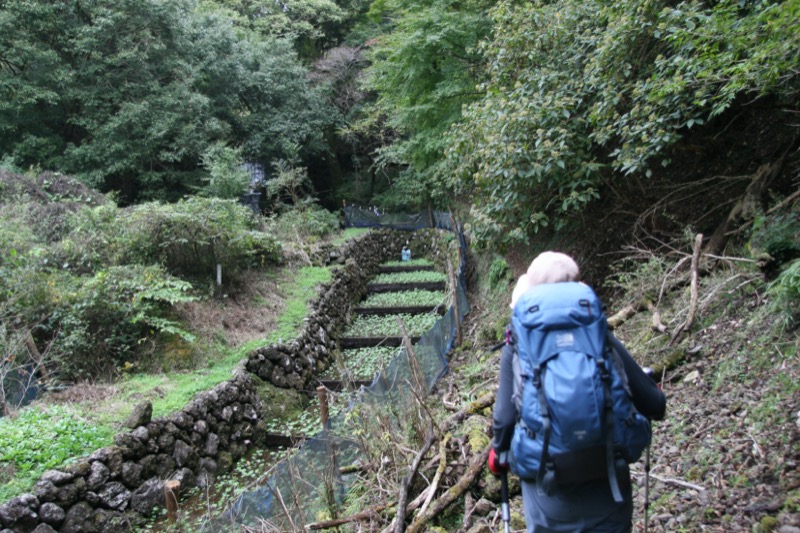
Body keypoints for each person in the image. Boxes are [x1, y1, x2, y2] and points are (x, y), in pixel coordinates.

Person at [490, 251, 667, 532]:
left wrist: (498, 453)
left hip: (547, 497)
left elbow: (504, 420)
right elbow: (654, 404)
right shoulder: (596, 333)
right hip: (608, 485)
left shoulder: (519, 342)